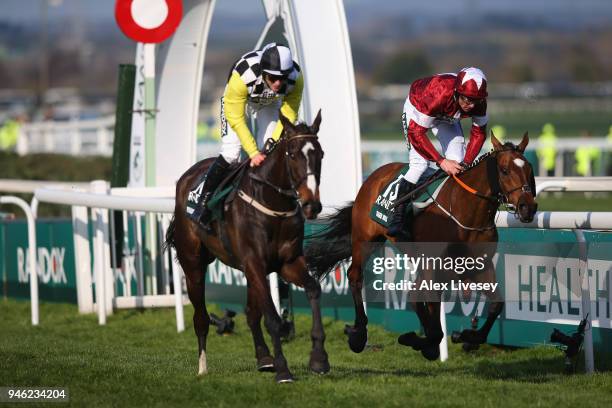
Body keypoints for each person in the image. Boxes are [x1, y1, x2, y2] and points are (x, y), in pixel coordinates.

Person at [186, 42, 304, 227]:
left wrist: (272, 141)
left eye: (282, 78)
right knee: (232, 153)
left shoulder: (296, 78)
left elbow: (289, 115)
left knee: (272, 150)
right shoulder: (243, 75)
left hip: (268, 104)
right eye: (272, 78)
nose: (278, 83)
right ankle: (202, 196)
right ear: (263, 71)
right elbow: (236, 118)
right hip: (236, 105)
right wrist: (253, 152)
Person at [388, 67, 488, 238]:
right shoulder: (439, 93)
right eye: (466, 99)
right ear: (457, 92)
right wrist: (441, 161)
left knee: (458, 161)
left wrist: (466, 162)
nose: (469, 106)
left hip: (445, 115)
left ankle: (441, 206)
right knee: (419, 165)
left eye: (475, 101)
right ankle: (396, 217)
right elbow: (416, 133)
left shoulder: (479, 103)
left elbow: (479, 133)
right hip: (419, 108)